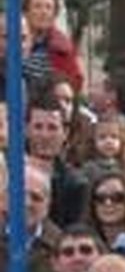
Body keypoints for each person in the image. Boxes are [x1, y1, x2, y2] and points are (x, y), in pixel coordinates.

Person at [26, 95, 87, 230]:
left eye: (52, 127)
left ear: (65, 133)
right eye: (38, 127)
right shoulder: (6, 172)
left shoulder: (75, 184)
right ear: (27, 129)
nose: (45, 135)